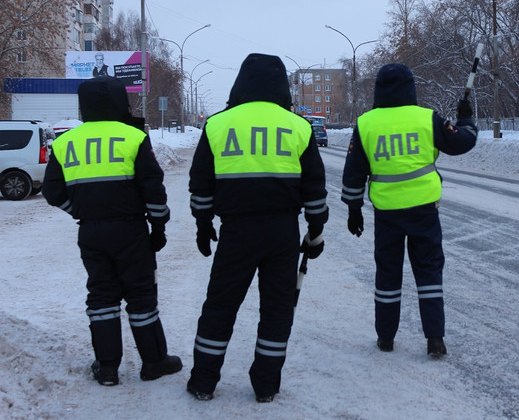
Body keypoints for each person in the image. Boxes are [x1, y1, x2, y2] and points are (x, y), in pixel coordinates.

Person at [186, 53, 328, 403]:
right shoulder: (298, 126)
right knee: (278, 309)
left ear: (241, 82)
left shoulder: (218, 124)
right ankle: (265, 384)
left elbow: (200, 183)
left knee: (220, 306)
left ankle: (204, 381)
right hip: (281, 232)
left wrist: (204, 225)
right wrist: (316, 230)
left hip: (236, 232)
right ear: (282, 86)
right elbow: (314, 186)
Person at [42, 76, 181, 386]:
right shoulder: (132, 137)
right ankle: (154, 363)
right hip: (131, 230)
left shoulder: (65, 142)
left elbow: (53, 193)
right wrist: (158, 227)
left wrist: (79, 212)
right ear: (121, 103)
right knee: (141, 296)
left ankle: (107, 368)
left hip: (91, 232)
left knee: (102, 296)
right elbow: (153, 190)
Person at [341, 63, 477, 358]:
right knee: (429, 271)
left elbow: (353, 173)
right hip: (424, 211)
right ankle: (435, 339)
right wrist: (466, 121)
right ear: (410, 88)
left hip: (387, 213)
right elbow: (461, 142)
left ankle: (386, 337)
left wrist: (354, 209)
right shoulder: (427, 118)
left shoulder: (366, 123)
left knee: (388, 274)